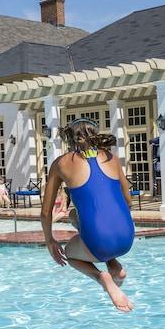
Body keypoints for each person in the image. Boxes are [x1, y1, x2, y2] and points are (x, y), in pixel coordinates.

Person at [42, 118, 136, 312]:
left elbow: (45, 212)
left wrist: (50, 241)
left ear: (70, 139)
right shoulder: (111, 157)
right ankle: (113, 263)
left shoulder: (61, 163)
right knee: (73, 215)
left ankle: (103, 278)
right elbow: (129, 201)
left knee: (69, 253)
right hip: (127, 238)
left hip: (99, 242)